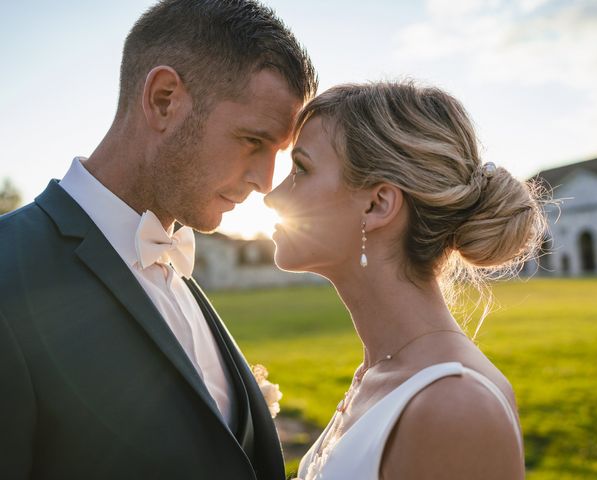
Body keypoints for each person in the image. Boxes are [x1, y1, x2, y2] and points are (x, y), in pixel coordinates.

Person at [0, 1, 316, 479]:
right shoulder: (8, 270)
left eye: (280, 153)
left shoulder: (178, 268)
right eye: (253, 141)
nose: (266, 181)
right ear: (164, 98)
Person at [264, 81, 545, 480]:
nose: (271, 196)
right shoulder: (379, 370)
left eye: (301, 169)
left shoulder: (456, 407)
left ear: (377, 204)